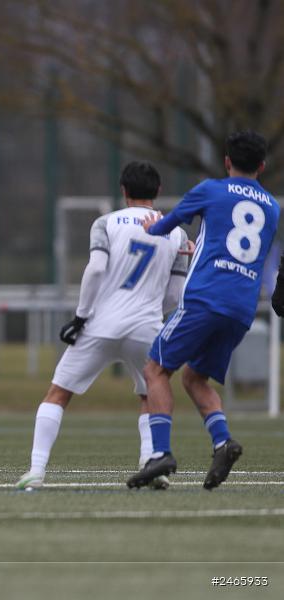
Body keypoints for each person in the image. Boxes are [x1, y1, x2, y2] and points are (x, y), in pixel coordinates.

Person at [16, 162, 190, 490]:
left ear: (123, 191)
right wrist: (152, 309)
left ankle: (36, 472)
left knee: (58, 394)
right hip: (147, 327)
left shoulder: (106, 223)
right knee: (149, 393)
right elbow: (176, 294)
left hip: (100, 325)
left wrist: (81, 316)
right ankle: (151, 463)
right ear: (159, 191)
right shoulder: (178, 233)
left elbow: (96, 269)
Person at [128, 131, 280, 490]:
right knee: (195, 378)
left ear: (227, 161)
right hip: (242, 308)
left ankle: (160, 454)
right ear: (262, 165)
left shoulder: (211, 189)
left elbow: (164, 226)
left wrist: (153, 225)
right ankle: (223, 442)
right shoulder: (272, 206)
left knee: (155, 369)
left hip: (205, 299)